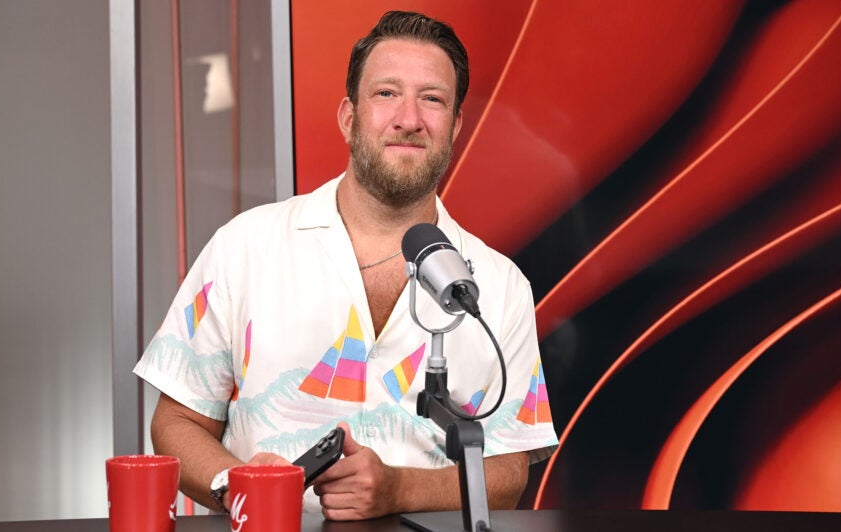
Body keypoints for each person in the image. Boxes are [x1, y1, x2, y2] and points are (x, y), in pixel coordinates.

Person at [134, 10, 558, 521]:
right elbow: (176, 422)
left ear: (456, 125)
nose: (408, 117)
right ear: (348, 117)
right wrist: (239, 486)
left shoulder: (500, 285)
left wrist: (398, 489)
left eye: (432, 98)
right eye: (385, 94)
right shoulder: (245, 248)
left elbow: (509, 471)